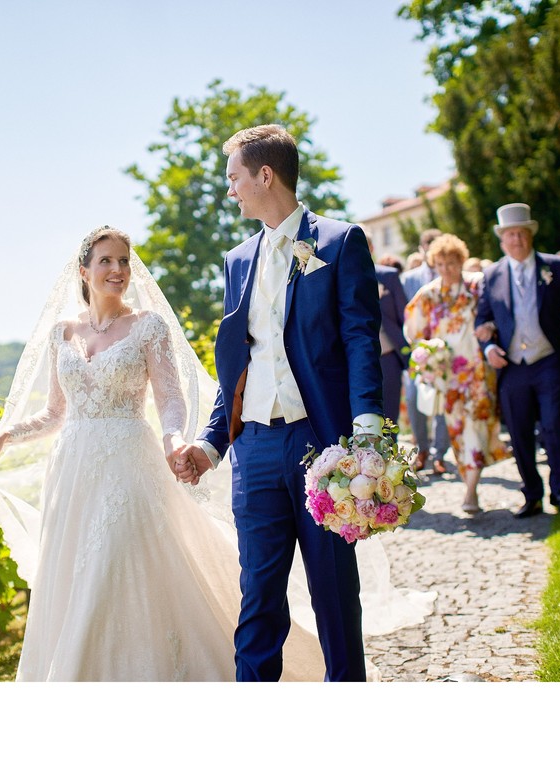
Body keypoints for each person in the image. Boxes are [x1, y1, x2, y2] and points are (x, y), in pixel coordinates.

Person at [0, 225, 433, 681]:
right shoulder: (62, 333)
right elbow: (55, 412)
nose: (117, 270)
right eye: (106, 261)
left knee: (113, 568)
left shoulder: (146, 327)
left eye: (124, 262)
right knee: (75, 580)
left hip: (129, 467)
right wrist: (6, 435)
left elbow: (170, 401)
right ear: (83, 270)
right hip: (73, 475)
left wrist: (175, 441)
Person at [174, 124, 384, 683]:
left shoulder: (340, 243)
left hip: (321, 446)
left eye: (234, 178)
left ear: (265, 175)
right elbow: (236, 367)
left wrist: (364, 435)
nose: (230, 191)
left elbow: (362, 339)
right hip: (257, 452)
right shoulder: (237, 260)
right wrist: (210, 443)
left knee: (334, 596)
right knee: (258, 599)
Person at [475, 203, 560, 517]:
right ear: (502, 240)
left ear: (530, 235)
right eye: (511, 234)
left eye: (521, 233)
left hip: (547, 361)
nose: (517, 240)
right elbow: (482, 321)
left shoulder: (553, 267)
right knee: (519, 432)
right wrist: (489, 349)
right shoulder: (492, 274)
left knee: (555, 425)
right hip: (512, 367)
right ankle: (532, 495)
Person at [404, 234, 509, 513]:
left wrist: (490, 330)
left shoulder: (476, 287)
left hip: (477, 371)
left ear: (461, 261)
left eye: (451, 263)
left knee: (477, 426)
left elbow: (493, 316)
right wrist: (427, 356)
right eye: (440, 263)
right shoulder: (428, 294)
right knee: (458, 430)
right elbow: (414, 333)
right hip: (448, 374)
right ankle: (470, 484)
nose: (446, 269)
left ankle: (471, 490)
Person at [400, 228, 451, 474]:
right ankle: (421, 448)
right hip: (417, 351)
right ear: (421, 249)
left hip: (445, 351)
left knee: (444, 403)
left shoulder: (451, 277)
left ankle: (440, 453)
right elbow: (403, 313)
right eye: (428, 246)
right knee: (412, 399)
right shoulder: (409, 279)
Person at [377, 262, 409, 426]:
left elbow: (404, 315)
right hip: (353, 358)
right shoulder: (338, 273)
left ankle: (390, 450)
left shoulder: (388, 276)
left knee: (389, 415)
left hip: (388, 354)